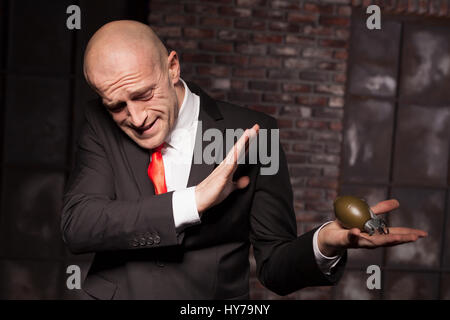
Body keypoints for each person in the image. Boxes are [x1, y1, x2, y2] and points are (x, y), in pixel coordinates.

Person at [61, 20, 427, 300]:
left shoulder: (255, 134)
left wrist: (324, 243)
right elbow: (79, 225)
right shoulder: (100, 124)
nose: (136, 118)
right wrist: (192, 202)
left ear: (172, 67)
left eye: (143, 95)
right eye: (117, 106)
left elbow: (274, 267)